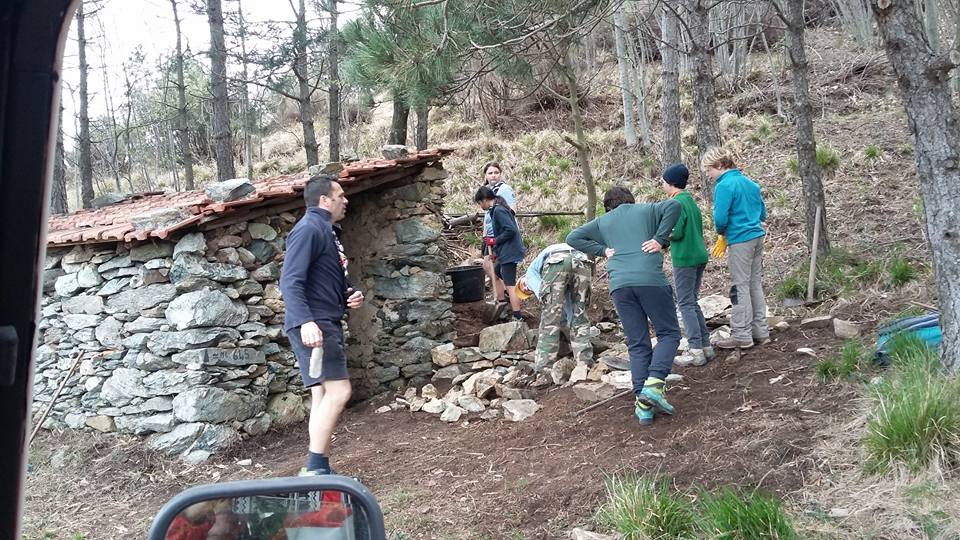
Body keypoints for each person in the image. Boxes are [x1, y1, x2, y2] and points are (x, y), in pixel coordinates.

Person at [566, 186, 681, 426]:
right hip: (650, 280)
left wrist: (602, 250)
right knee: (668, 333)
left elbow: (572, 238)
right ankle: (653, 384)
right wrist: (660, 239)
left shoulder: (602, 221)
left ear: (608, 206)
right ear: (631, 200)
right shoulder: (647, 210)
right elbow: (674, 205)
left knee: (638, 342)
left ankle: (643, 405)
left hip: (619, 286)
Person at [280, 174, 365, 475]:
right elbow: (290, 282)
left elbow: (326, 278)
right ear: (324, 200)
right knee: (339, 392)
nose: (346, 200)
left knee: (321, 394)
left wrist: (348, 295)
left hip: (324, 319)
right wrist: (306, 322)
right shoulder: (308, 229)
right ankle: (314, 468)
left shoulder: (327, 232)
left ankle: (318, 469)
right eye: (340, 195)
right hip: (315, 325)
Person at [701, 147, 770, 349]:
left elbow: (720, 218)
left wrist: (721, 233)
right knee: (754, 284)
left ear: (720, 165)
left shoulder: (724, 186)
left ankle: (742, 335)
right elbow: (762, 213)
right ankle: (761, 331)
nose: (709, 176)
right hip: (756, 237)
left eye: (709, 171)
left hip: (739, 239)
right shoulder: (751, 183)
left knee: (739, 287)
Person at [659, 163, 713, 366]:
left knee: (685, 303)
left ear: (671, 183)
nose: (662, 185)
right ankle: (706, 346)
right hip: (699, 255)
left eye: (663, 181)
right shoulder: (690, 201)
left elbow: (677, 232)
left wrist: (661, 237)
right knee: (692, 301)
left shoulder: (676, 203)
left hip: (685, 258)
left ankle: (696, 350)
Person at [516, 243, 594, 372]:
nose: (526, 288)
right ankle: (584, 362)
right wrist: (566, 325)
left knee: (549, 320)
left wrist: (560, 322)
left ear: (522, 278)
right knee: (580, 315)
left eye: (522, 286)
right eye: (527, 292)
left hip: (557, 261)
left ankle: (544, 367)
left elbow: (551, 308)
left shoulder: (530, 275)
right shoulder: (548, 276)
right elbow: (570, 309)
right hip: (582, 259)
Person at [474, 185, 525, 322]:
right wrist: (495, 251)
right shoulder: (495, 209)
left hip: (510, 252)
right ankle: (501, 305)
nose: (480, 206)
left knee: (510, 284)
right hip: (505, 251)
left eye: (479, 203)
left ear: (484, 200)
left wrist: (494, 240)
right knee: (496, 273)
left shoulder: (499, 211)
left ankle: (517, 316)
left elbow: (510, 231)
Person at [478, 162, 517, 312]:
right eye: (490, 173)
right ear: (485, 176)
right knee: (489, 267)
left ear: (500, 174)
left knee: (496, 268)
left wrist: (498, 235)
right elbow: (486, 217)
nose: (493, 175)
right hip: (490, 235)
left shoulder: (504, 189)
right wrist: (485, 235)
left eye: (496, 172)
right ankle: (502, 296)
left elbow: (511, 211)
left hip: (501, 235)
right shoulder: (486, 191)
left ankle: (504, 298)